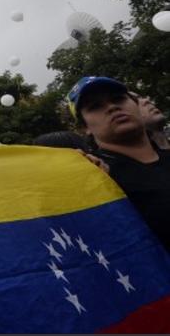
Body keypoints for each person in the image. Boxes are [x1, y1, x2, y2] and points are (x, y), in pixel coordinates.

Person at [67, 76, 170, 252]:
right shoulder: (97, 177)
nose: (112, 107)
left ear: (136, 104)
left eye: (118, 98)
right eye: (95, 106)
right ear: (85, 128)